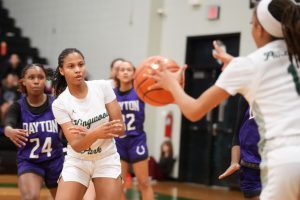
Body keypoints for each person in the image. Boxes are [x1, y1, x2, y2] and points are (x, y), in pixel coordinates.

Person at [147, 0, 300, 199]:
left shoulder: (249, 65)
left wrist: (171, 85)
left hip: (283, 160)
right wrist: (237, 64)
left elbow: (194, 111)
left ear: (259, 29)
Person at [52, 48, 125, 200]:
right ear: (62, 70)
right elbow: (77, 145)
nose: (78, 70)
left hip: (106, 158)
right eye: (71, 66)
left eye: (81, 64)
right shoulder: (60, 104)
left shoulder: (103, 87)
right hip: (78, 161)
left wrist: (88, 135)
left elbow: (120, 129)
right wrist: (97, 133)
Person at [4, 63, 65, 200]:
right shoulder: (17, 106)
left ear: (45, 80)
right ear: (23, 82)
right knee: (31, 197)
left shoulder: (56, 103)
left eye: (40, 77)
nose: (36, 81)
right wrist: (10, 132)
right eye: (31, 77)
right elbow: (8, 124)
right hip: (29, 161)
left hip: (56, 160)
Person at [114, 60, 154, 200]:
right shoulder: (111, 95)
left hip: (137, 140)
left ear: (134, 74)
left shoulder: (141, 92)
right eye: (122, 69)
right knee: (118, 185)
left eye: (129, 70)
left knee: (143, 182)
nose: (125, 72)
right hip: (118, 142)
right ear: (117, 74)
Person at [219, 97, 261, 200]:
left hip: (276, 163)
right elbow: (237, 131)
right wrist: (234, 162)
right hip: (249, 166)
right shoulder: (248, 91)